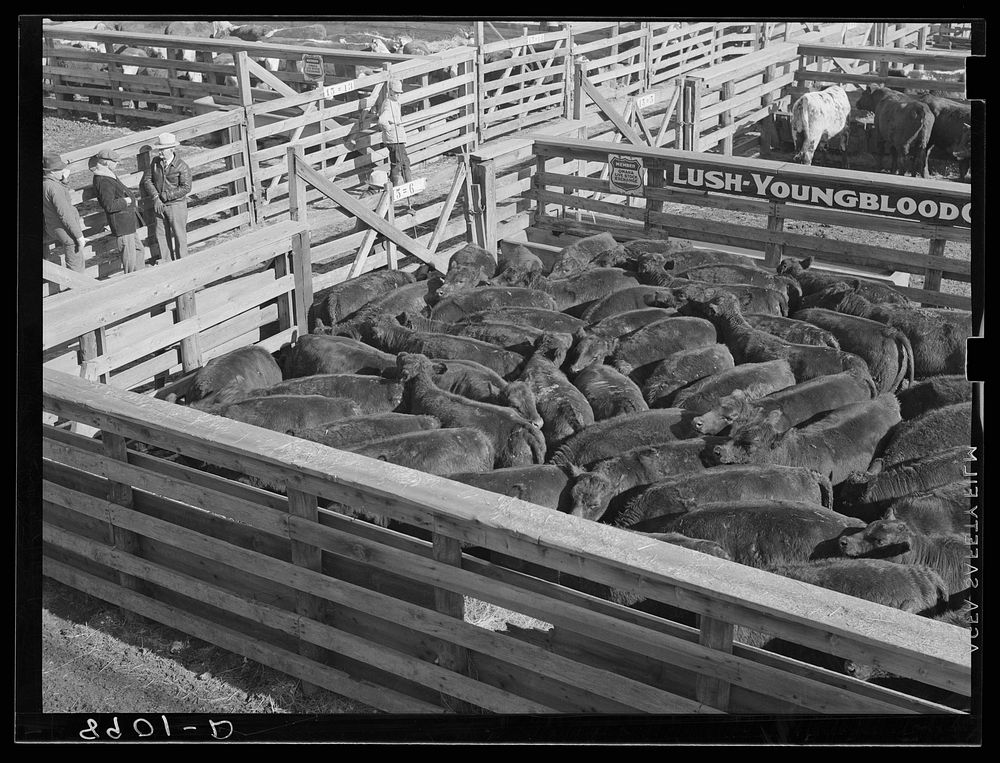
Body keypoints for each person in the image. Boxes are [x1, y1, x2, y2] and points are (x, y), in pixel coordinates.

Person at [90, 148, 146, 273]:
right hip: (122, 223)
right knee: (130, 257)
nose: (117, 164)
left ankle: (141, 277)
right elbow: (109, 205)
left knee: (138, 250)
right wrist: (127, 201)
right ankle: (132, 282)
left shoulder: (108, 174)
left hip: (127, 222)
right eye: (115, 162)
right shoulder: (103, 179)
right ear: (107, 162)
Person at [141, 132, 192, 262]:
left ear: (172, 149)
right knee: (162, 234)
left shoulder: (182, 166)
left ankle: (183, 263)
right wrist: (156, 197)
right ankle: (167, 263)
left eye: (163, 150)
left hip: (176, 205)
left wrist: (164, 196)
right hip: (159, 204)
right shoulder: (155, 163)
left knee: (179, 236)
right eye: (159, 150)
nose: (160, 153)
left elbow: (186, 187)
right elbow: (147, 180)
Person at [42, 153, 86, 292]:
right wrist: (79, 236)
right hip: (62, 228)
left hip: (51, 226)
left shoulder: (47, 183)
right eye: (60, 169)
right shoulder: (54, 188)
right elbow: (64, 213)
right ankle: (78, 290)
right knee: (74, 252)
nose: (63, 170)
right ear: (52, 171)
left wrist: (64, 180)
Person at [378, 78, 412, 186]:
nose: (398, 95)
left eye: (399, 93)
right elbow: (382, 120)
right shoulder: (389, 104)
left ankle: (405, 185)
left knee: (402, 162)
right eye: (396, 93)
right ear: (391, 91)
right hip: (394, 139)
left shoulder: (394, 102)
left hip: (397, 138)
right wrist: (389, 128)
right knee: (399, 163)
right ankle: (398, 186)